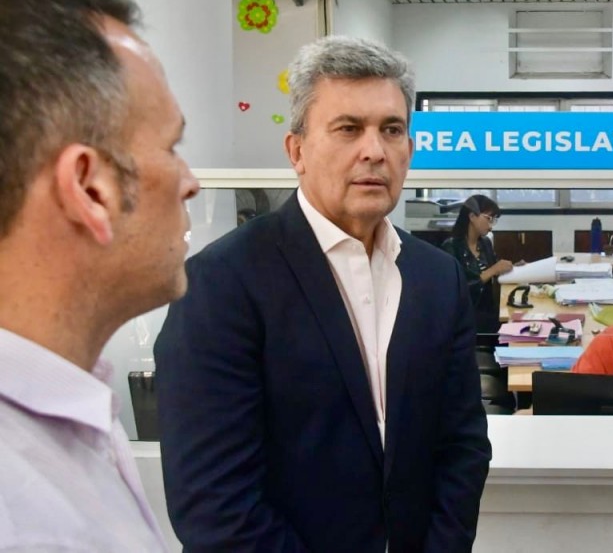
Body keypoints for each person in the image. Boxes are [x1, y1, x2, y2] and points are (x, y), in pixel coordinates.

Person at [155, 36, 491, 552]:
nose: (374, 151)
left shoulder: (437, 278)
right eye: (348, 129)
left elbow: (462, 446)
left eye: (391, 130)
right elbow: (214, 502)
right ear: (297, 151)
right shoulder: (222, 283)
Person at [0, 0, 199, 550]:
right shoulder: (21, 515)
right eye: (172, 147)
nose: (190, 182)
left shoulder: (66, 419)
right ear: (90, 188)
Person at [441, 194, 514, 348]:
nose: (491, 225)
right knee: (510, 334)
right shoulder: (451, 247)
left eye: (493, 220)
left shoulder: (485, 243)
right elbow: (456, 290)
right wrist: (493, 270)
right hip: (465, 317)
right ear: (472, 217)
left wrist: (515, 268)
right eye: (489, 219)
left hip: (487, 312)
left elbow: (495, 269)